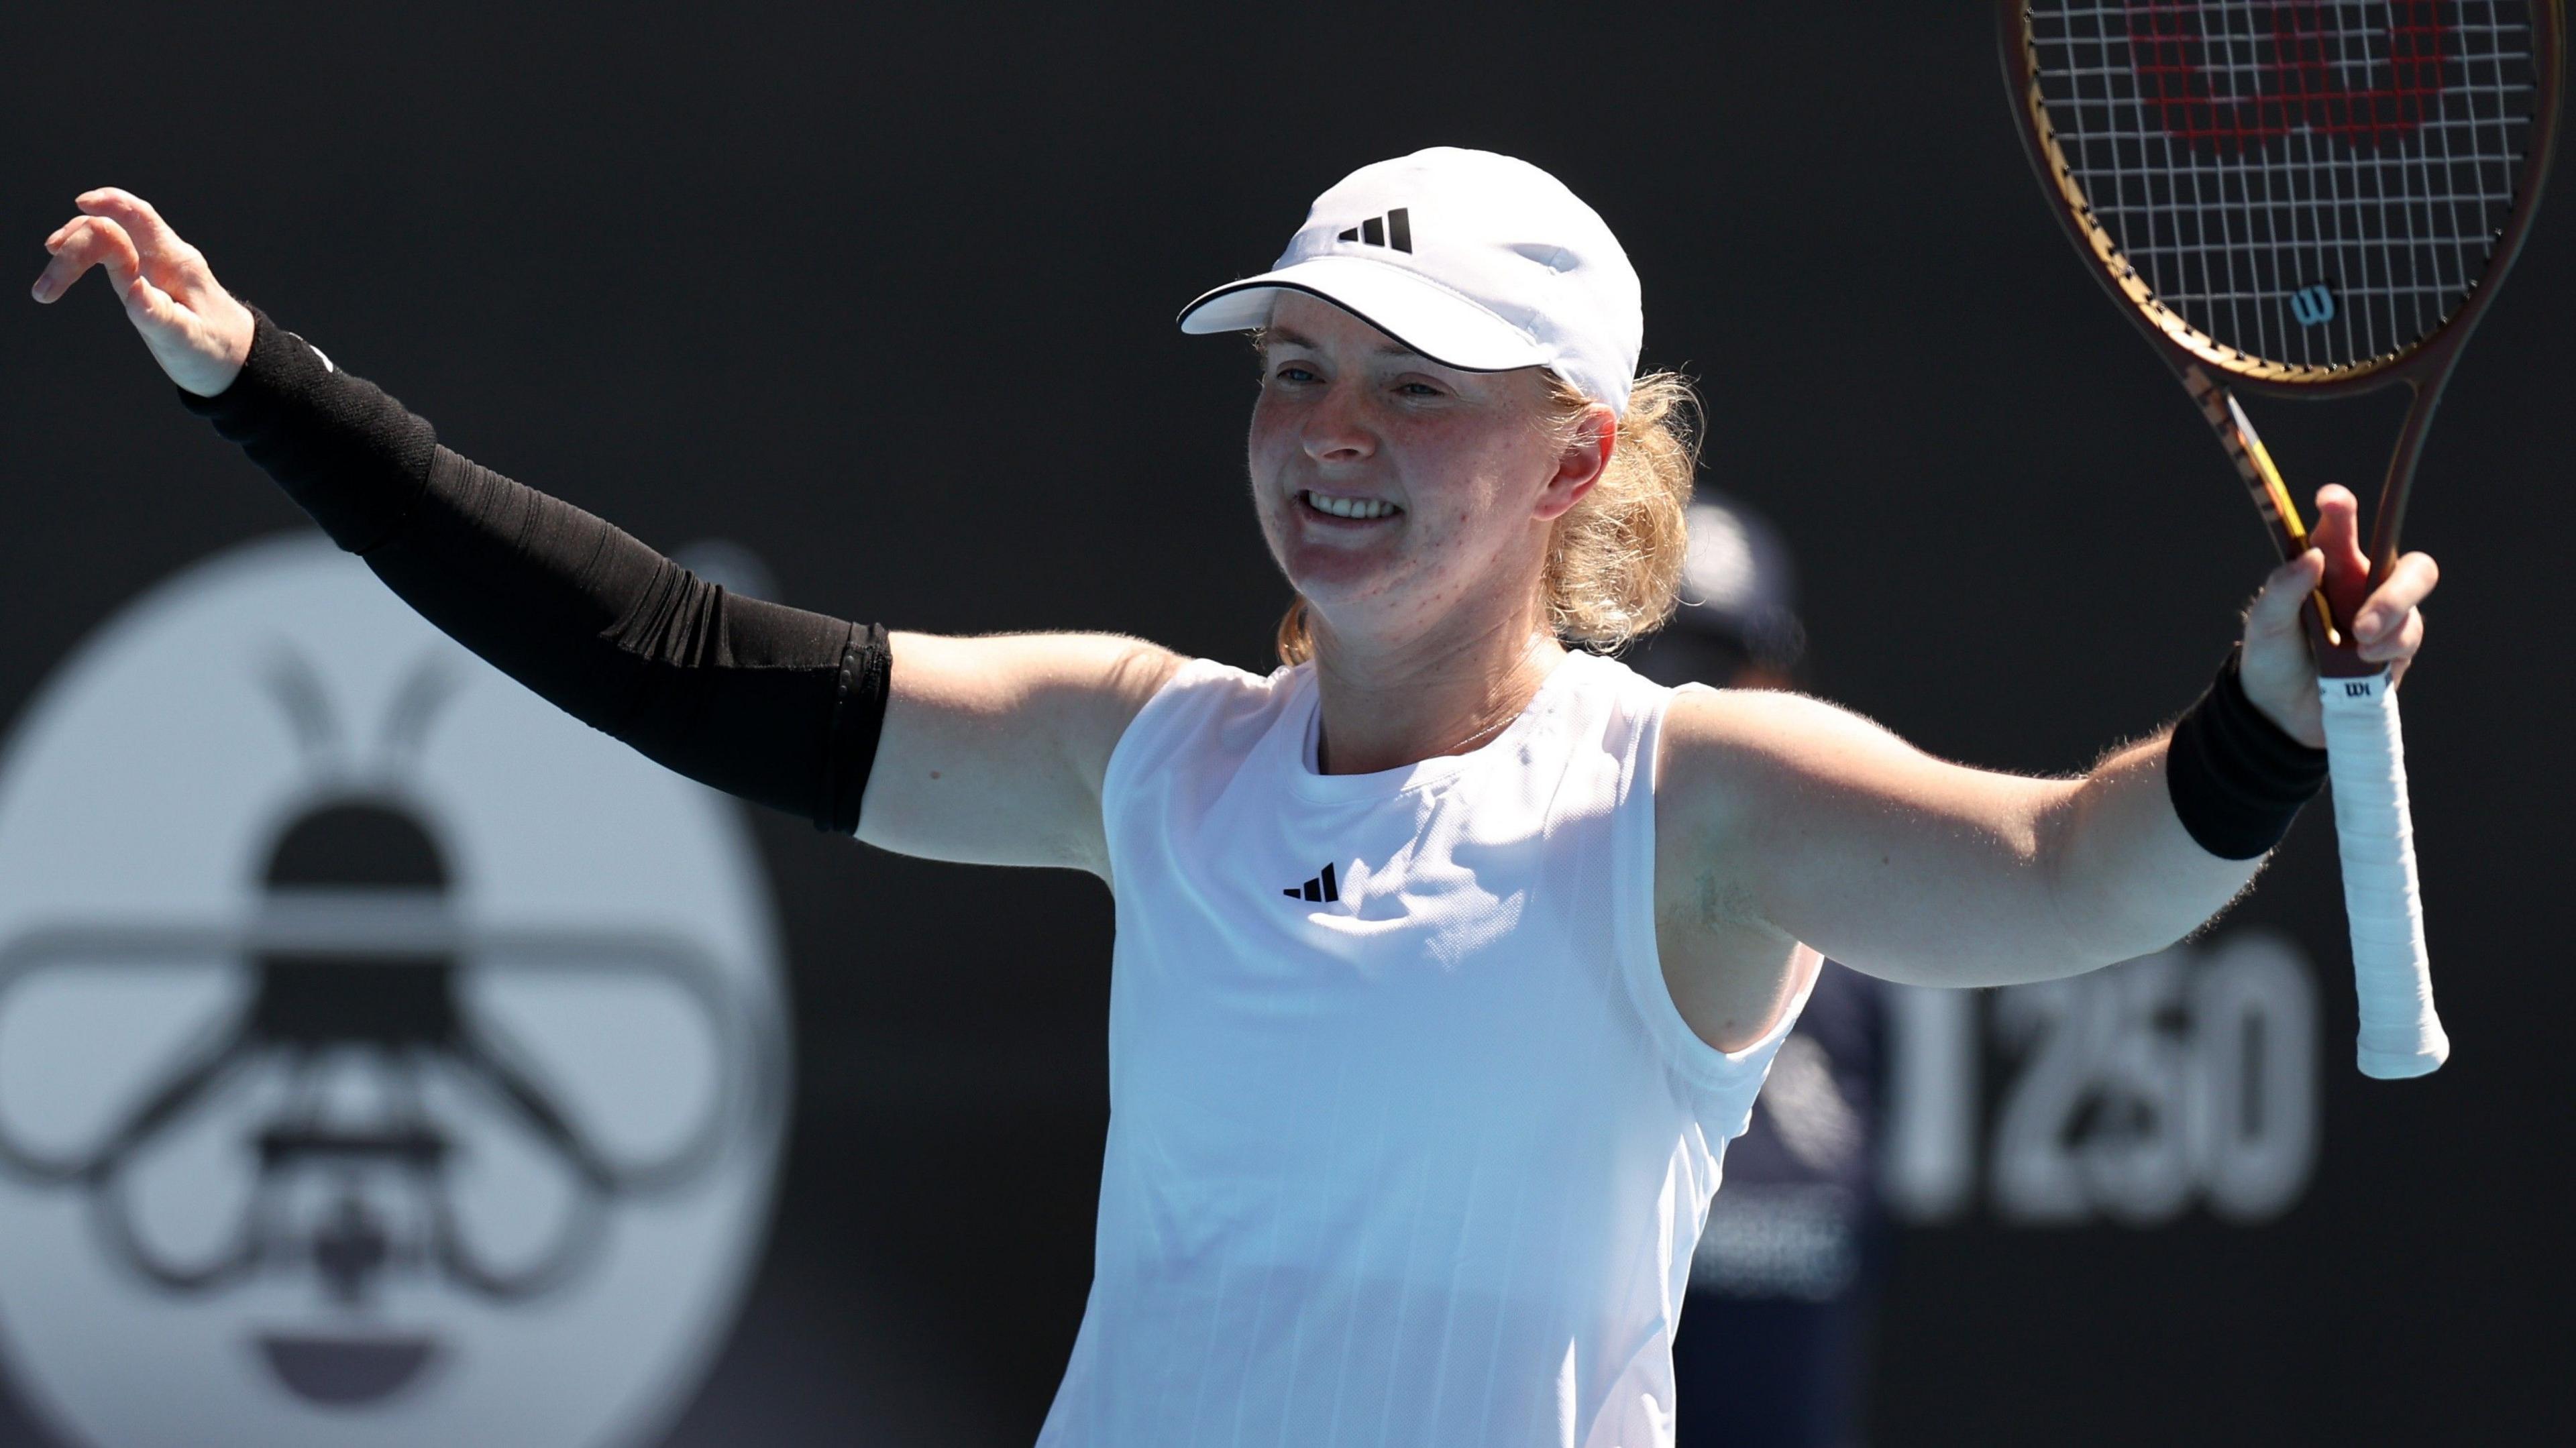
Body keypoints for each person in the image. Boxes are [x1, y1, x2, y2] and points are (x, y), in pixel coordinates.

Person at [30, 148, 2433, 1447]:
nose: (1330, 440)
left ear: (1576, 456)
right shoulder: (1148, 752)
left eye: (1415, 389)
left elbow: (2076, 879)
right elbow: (667, 651)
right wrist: (263, 383)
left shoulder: (1686, 800)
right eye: (1295, 374)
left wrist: (2251, 714)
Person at [1628, 493, 1889, 1448]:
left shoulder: (1856, 941)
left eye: (1714, 663)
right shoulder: (1531, 910)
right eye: (1651, 660)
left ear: (1778, 676)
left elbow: (2073, 867)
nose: (1684, 703)